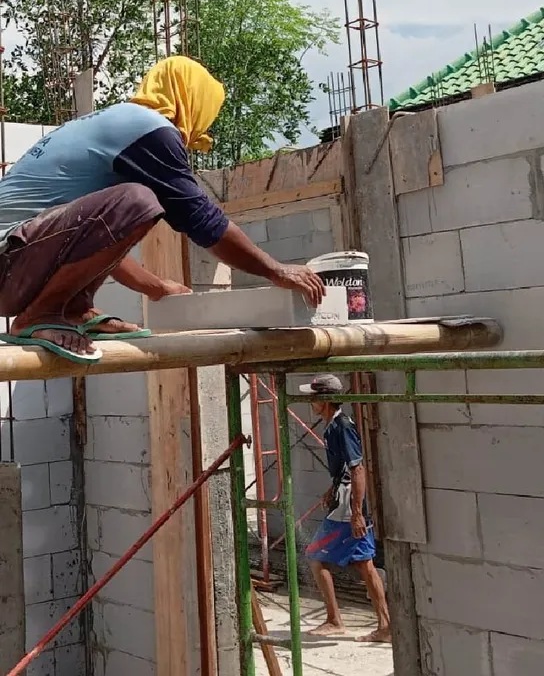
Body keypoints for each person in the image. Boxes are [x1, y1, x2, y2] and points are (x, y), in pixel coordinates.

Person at [0, 56, 325, 363]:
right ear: (194, 101)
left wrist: (157, 288)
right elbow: (202, 221)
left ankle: (73, 309)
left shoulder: (120, 124)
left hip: (16, 264)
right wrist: (275, 270)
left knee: (130, 204)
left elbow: (94, 241)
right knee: (139, 201)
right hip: (10, 262)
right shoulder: (147, 128)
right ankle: (42, 314)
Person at [301, 374, 391, 644]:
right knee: (365, 564)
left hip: (347, 509)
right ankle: (385, 626)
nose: (311, 402)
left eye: (315, 397)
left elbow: (358, 469)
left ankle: (334, 620)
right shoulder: (334, 426)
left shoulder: (341, 427)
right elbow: (346, 470)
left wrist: (355, 513)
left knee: (315, 555)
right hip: (347, 502)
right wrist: (333, 486)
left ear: (325, 400)